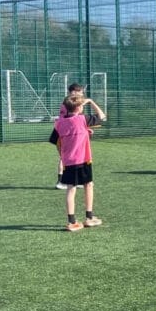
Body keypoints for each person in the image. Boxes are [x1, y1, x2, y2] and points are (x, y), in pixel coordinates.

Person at [55, 94, 107, 231]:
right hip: (83, 159)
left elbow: (59, 139)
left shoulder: (59, 123)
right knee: (88, 185)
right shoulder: (83, 119)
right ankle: (89, 217)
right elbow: (102, 116)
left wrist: (85, 132)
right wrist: (91, 101)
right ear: (78, 108)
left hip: (68, 161)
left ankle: (71, 221)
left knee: (71, 189)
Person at [50, 82, 85, 189]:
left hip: (65, 132)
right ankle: (61, 182)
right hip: (64, 133)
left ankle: (75, 181)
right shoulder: (70, 103)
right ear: (73, 92)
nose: (82, 94)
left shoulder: (70, 102)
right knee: (65, 157)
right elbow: (70, 120)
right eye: (80, 92)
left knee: (75, 156)